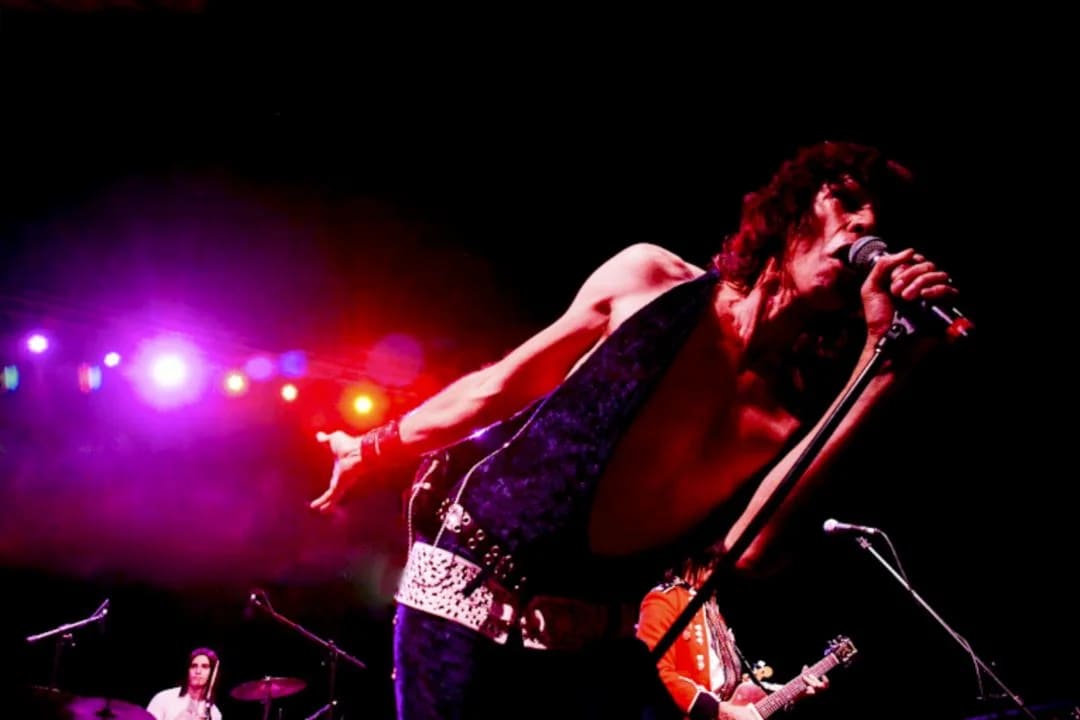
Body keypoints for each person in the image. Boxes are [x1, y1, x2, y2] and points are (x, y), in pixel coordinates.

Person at [312, 140, 964, 719]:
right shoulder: (651, 280)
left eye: (882, 219)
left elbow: (752, 553)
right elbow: (498, 387)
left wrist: (884, 366)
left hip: (596, 650)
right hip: (465, 602)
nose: (865, 224)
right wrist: (372, 445)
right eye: (845, 200)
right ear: (792, 208)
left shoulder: (802, 407)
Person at [636, 550, 828, 720]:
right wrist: (717, 710)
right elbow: (656, 673)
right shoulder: (664, 599)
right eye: (714, 561)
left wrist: (794, 691)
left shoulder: (711, 609)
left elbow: (732, 688)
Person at [146, 647, 223, 720]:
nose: (198, 671)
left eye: (205, 667)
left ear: (213, 673)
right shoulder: (163, 698)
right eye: (193, 666)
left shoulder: (215, 714)